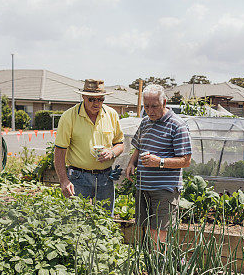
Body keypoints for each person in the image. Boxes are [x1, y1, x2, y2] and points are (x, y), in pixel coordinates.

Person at [126, 84, 192, 244]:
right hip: (143, 187)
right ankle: (148, 267)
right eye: (146, 106)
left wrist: (159, 162)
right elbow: (139, 146)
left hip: (165, 189)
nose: (150, 111)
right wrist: (131, 163)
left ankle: (159, 268)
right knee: (146, 229)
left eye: (154, 106)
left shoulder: (177, 125)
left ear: (164, 103)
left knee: (160, 232)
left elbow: (185, 161)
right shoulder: (145, 123)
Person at [53, 79, 124, 212]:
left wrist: (112, 152)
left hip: (105, 178)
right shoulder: (69, 116)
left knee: (105, 220)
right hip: (78, 178)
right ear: (83, 97)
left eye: (100, 99)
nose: (96, 103)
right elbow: (59, 151)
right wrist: (63, 180)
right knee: (76, 221)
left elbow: (119, 144)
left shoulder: (112, 115)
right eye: (91, 99)